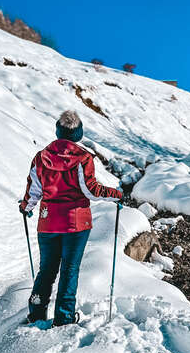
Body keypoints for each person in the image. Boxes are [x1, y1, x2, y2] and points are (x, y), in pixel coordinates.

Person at [19, 110, 122, 326]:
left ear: (58, 131)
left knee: (46, 268)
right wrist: (116, 194)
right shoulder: (82, 158)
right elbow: (91, 190)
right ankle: (64, 317)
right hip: (75, 223)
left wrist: (26, 207)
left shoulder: (41, 157)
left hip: (47, 222)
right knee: (69, 269)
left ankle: (36, 311)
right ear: (78, 133)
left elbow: (34, 189)